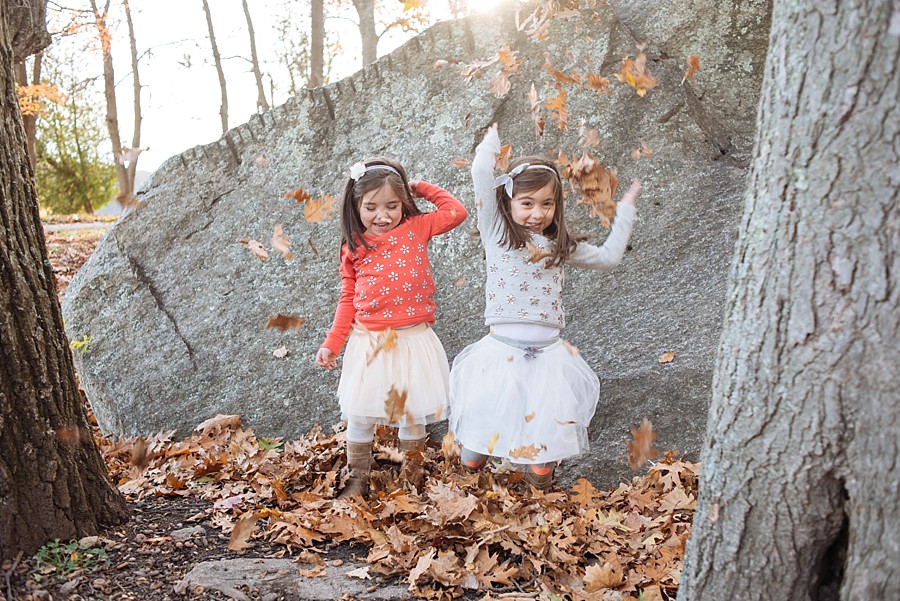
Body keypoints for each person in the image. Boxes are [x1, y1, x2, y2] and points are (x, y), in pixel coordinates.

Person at [449, 124, 640, 490]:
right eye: (527, 203)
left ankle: (541, 498)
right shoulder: (497, 233)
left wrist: (625, 213)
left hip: (549, 360)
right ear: (507, 202)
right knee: (477, 444)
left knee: (544, 448)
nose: (537, 213)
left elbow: (609, 257)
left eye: (546, 204)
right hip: (500, 355)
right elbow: (479, 173)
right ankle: (463, 493)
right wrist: (491, 142)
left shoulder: (559, 247)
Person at [315, 157, 468, 498]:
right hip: (370, 344)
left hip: (414, 340)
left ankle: (412, 476)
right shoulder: (354, 247)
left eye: (392, 206)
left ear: (403, 204)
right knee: (361, 416)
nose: (382, 216)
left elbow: (456, 212)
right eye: (371, 207)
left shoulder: (418, 228)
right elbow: (347, 300)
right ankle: (358, 478)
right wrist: (332, 343)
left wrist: (418, 187)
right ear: (356, 206)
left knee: (412, 415)